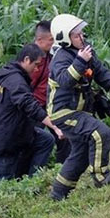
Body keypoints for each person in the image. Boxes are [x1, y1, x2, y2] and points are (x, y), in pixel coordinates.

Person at [47, 13, 110, 201]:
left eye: (81, 34)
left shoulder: (86, 51)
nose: (82, 37)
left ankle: (59, 192)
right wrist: (80, 61)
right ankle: (101, 177)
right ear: (64, 38)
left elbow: (102, 74)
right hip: (63, 113)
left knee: (82, 152)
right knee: (101, 133)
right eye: (77, 35)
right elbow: (65, 81)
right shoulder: (61, 58)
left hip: (80, 111)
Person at [0, 43, 63, 180]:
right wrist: (54, 126)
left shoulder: (5, 74)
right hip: (8, 138)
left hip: (17, 130)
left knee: (45, 140)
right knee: (3, 183)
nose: (36, 69)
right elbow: (30, 106)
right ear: (26, 60)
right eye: (36, 64)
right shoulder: (16, 81)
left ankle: (33, 181)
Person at [31, 20, 71, 164]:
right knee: (34, 141)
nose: (54, 43)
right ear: (39, 40)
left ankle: (63, 167)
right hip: (34, 107)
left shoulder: (50, 54)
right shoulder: (30, 58)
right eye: (51, 40)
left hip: (51, 104)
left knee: (64, 136)